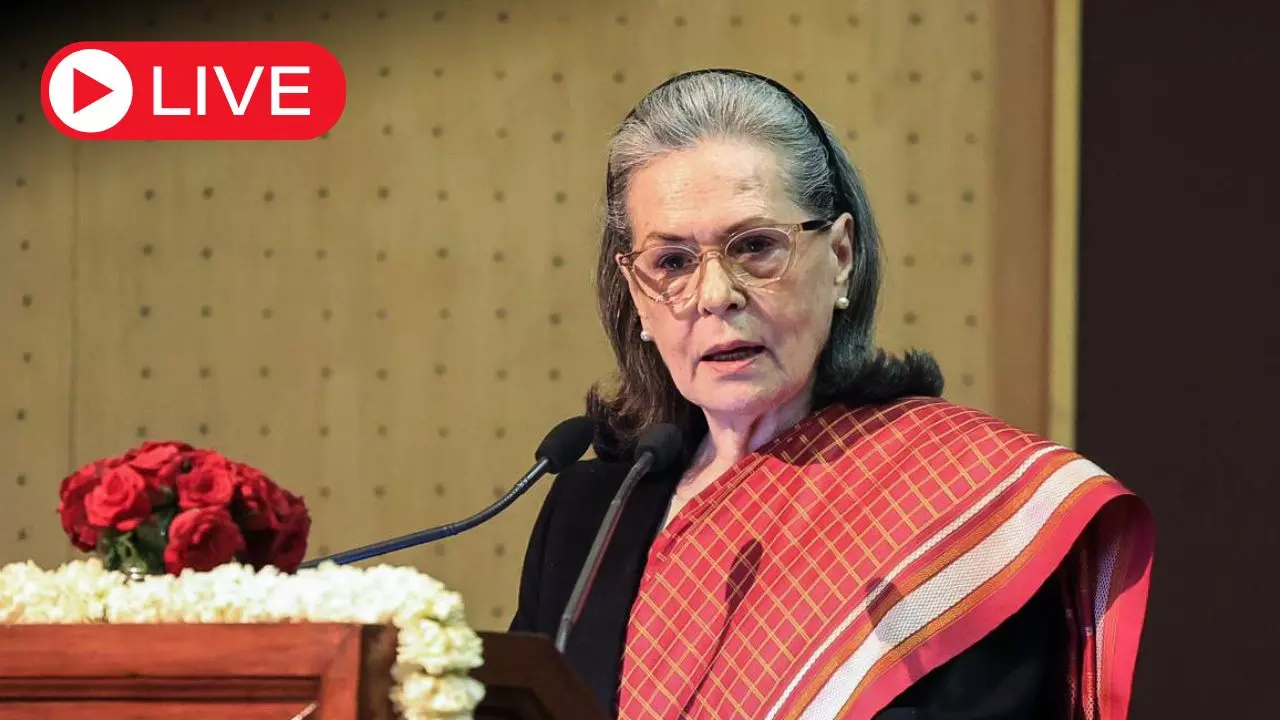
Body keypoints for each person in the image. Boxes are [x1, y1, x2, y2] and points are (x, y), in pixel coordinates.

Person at [509, 69, 1153, 720]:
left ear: (841, 255)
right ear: (635, 291)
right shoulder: (588, 519)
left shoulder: (959, 506)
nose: (716, 295)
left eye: (755, 247)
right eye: (672, 261)